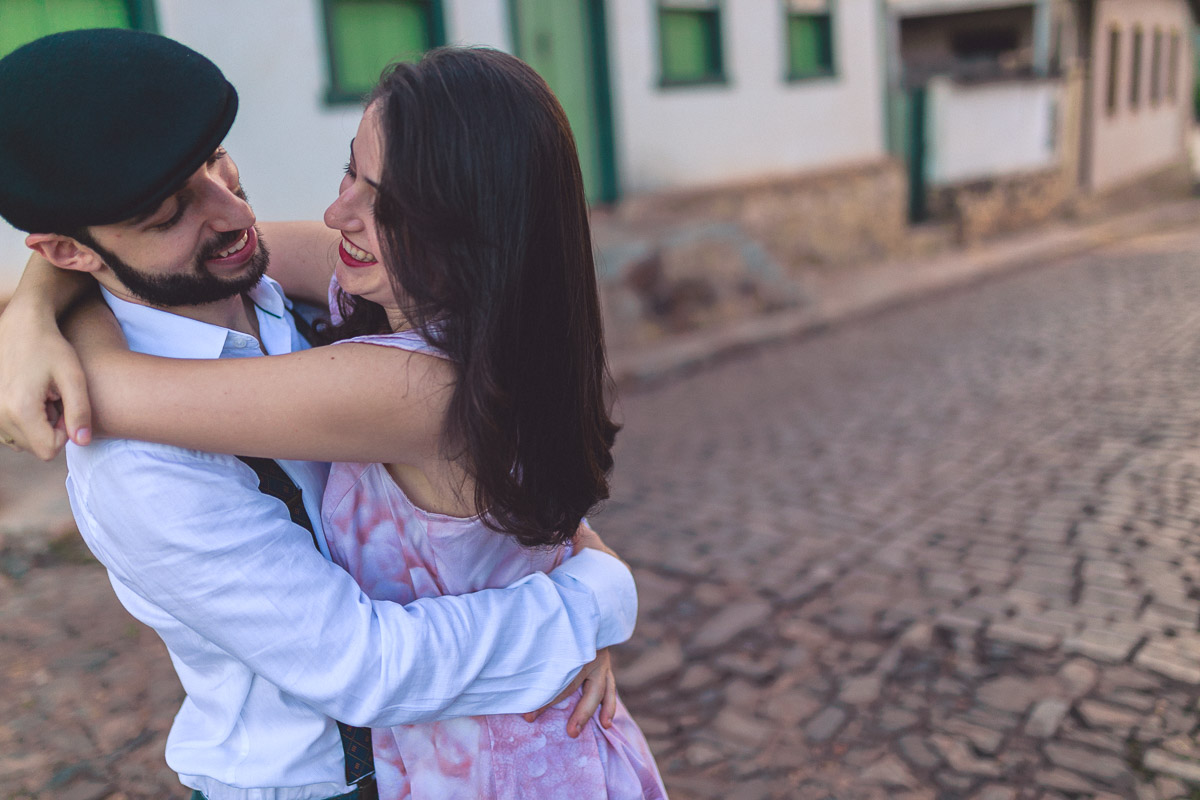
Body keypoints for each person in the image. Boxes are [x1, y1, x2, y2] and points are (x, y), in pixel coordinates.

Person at [0, 30, 640, 800]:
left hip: (474, 757)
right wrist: (584, 606)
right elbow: (361, 667)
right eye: (170, 210)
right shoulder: (138, 463)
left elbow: (108, 373)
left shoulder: (352, 311)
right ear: (70, 251)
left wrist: (31, 321)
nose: (237, 210)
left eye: (216, 159)